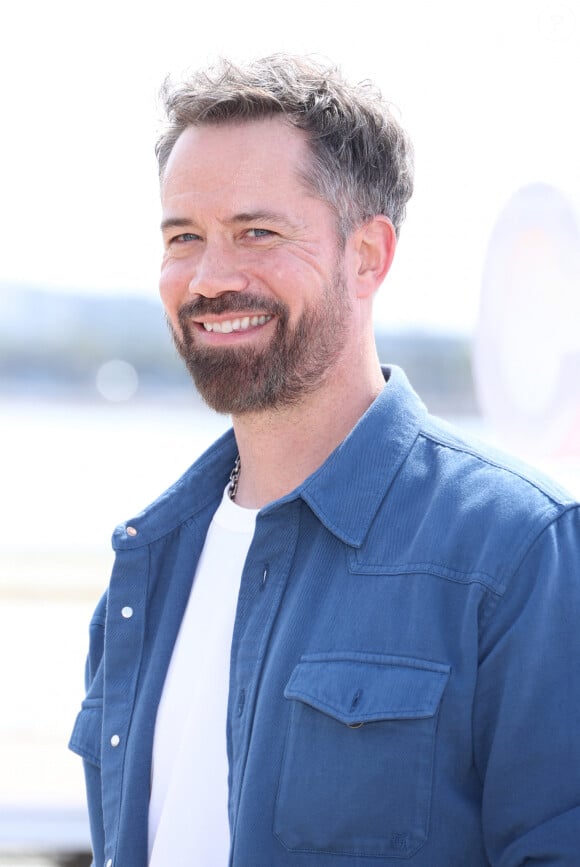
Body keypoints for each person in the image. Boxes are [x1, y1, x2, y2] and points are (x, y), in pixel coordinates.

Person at [69, 54, 580, 867]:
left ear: (369, 254)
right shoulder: (148, 566)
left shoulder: (518, 551)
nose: (209, 277)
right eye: (183, 237)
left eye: (257, 232)